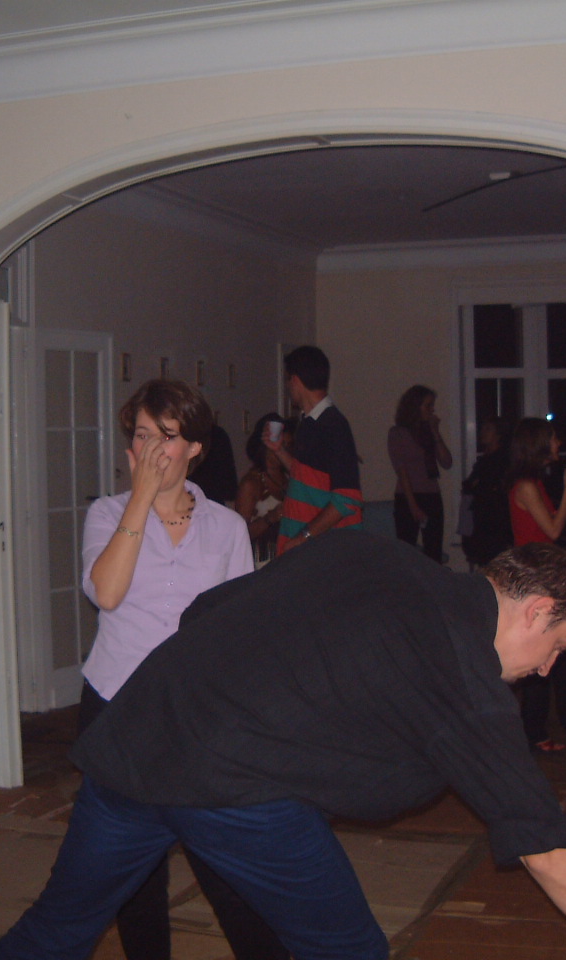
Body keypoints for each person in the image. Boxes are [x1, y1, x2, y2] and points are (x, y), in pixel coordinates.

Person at [0, 531, 566, 960]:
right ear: (537, 611)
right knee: (348, 950)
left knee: (59, 927)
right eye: (558, 647)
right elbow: (545, 845)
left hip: (139, 733)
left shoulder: (370, 550)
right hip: (233, 783)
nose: (547, 669)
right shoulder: (463, 674)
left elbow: (208, 609)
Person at [76, 379, 286, 960]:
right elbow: (107, 593)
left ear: (194, 446)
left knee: (227, 864)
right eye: (143, 436)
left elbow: (237, 632)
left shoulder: (226, 526)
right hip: (117, 708)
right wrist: (140, 500)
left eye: (166, 436)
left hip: (196, 715)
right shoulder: (106, 514)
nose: (152, 450)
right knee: (134, 875)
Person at [507, 417, 566, 752]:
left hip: (545, 573)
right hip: (534, 577)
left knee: (560, 647)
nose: (558, 443)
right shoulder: (526, 485)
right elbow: (552, 530)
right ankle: (534, 730)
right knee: (542, 653)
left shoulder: (535, 482)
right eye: (553, 438)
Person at [268, 345, 363, 554]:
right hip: (311, 548)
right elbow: (307, 478)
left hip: (327, 551)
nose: (288, 387)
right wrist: (279, 450)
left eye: (288, 380)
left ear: (295, 380)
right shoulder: (309, 422)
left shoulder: (333, 425)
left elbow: (347, 499)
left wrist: (303, 537)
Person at [387, 384, 453, 562]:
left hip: (432, 495)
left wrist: (435, 432)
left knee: (433, 552)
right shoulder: (397, 433)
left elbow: (447, 462)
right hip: (408, 497)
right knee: (406, 552)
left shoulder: (428, 432)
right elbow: (402, 472)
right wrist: (414, 506)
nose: (432, 410)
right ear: (415, 406)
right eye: (428, 405)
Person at [235, 412, 291, 566]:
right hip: (261, 562)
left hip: (286, 560)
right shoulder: (251, 483)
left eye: (288, 445)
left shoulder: (289, 478)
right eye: (281, 445)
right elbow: (239, 534)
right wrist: (271, 517)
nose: (285, 450)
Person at [460, 416, 513, 568]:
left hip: (494, 526)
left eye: (488, 429)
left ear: (498, 434)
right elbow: (469, 491)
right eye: (482, 428)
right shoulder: (483, 461)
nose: (482, 432)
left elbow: (492, 492)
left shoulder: (501, 461)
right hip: (479, 525)